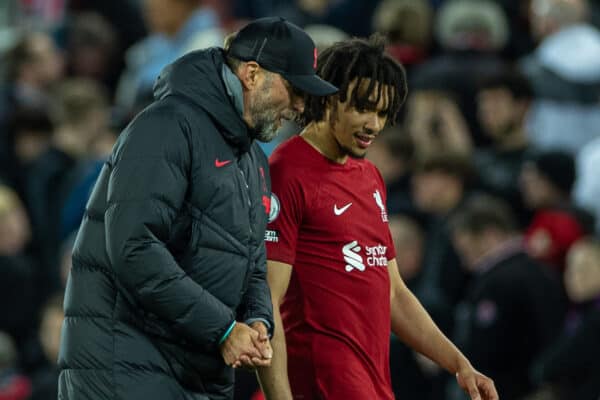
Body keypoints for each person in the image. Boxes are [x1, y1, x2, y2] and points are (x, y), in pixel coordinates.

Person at [58, 17, 337, 400]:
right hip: (124, 368)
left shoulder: (252, 159)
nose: (301, 106)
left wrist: (257, 321)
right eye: (294, 89)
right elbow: (134, 247)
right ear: (252, 74)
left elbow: (254, 264)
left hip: (196, 373)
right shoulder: (166, 127)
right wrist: (222, 329)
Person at [258, 35, 497, 400]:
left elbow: (394, 294)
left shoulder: (368, 176)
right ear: (327, 96)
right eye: (363, 108)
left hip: (372, 382)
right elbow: (266, 301)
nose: (374, 124)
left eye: (383, 113)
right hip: (322, 382)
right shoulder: (285, 173)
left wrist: (458, 363)